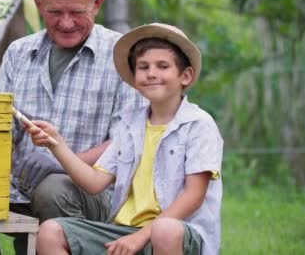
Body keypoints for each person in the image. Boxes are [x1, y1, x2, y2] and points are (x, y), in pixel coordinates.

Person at [0, 0, 144, 254]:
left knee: (53, 188)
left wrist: (64, 161)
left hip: (96, 194)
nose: (66, 22)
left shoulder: (124, 56)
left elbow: (129, 140)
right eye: (55, 12)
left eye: (77, 12)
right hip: (18, 185)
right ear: (38, 3)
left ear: (97, 3)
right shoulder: (18, 53)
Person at [24, 23, 223, 255]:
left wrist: (142, 236)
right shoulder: (129, 125)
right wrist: (55, 143)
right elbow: (95, 181)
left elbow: (194, 195)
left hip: (177, 235)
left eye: (163, 66)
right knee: (50, 232)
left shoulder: (199, 124)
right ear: (134, 76)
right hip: (125, 232)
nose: (151, 73)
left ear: (185, 76)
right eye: (143, 66)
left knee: (164, 230)